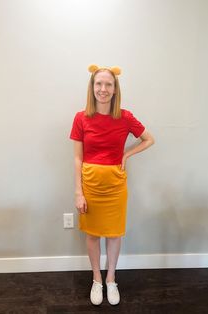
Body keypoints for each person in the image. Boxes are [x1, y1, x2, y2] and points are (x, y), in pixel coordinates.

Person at [69, 64, 155, 306]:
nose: (103, 89)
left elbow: (149, 139)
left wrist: (126, 155)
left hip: (116, 185)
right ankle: (96, 279)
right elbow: (77, 157)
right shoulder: (81, 118)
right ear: (92, 87)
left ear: (115, 89)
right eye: (99, 84)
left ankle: (111, 279)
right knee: (93, 235)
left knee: (114, 234)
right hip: (90, 184)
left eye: (108, 84)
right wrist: (79, 191)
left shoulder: (125, 117)